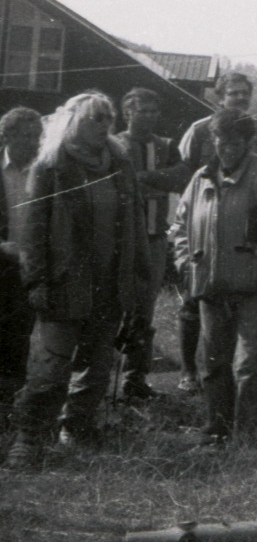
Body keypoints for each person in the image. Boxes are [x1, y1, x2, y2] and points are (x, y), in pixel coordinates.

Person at [4, 93, 152, 469]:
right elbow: (34, 232)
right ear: (73, 122)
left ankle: (78, 428)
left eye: (107, 117)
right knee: (51, 368)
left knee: (98, 363)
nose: (104, 125)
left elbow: (135, 223)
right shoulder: (50, 166)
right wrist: (36, 280)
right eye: (94, 118)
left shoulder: (120, 163)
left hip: (110, 284)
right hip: (63, 283)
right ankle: (30, 440)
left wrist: (138, 277)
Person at [170, 108, 257, 448]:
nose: (227, 150)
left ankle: (249, 438)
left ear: (249, 142)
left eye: (236, 143)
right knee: (213, 364)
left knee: (250, 366)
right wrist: (185, 262)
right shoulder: (200, 179)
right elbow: (180, 226)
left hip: (256, 290)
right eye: (221, 142)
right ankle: (216, 431)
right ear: (213, 140)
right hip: (211, 287)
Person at [176, 72, 257, 394]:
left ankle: (240, 382)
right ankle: (189, 371)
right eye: (233, 93)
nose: (240, 98)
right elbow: (184, 172)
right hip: (205, 217)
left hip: (244, 229)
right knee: (196, 303)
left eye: (245, 93)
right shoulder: (199, 130)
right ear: (220, 98)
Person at [113, 87, 190, 401]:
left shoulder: (166, 146)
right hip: (119, 238)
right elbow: (115, 180)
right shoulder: (115, 144)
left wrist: (145, 177)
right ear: (127, 112)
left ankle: (135, 379)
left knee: (145, 309)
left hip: (155, 238)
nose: (148, 116)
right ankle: (102, 381)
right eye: (141, 110)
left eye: (153, 111)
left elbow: (181, 177)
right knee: (112, 307)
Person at [0, 107, 44, 418]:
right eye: (27, 136)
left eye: (37, 137)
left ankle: (9, 409)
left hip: (27, 271)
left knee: (19, 337)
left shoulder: (44, 172)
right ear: (7, 136)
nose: (34, 143)